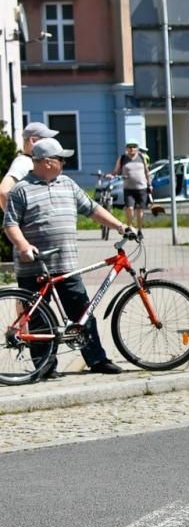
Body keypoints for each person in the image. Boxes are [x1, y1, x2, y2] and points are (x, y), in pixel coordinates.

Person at [3, 138, 134, 377]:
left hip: (66, 264)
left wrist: (120, 226)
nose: (64, 162)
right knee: (40, 320)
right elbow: (10, 224)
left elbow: (93, 209)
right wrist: (23, 245)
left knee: (83, 312)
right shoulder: (21, 189)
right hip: (34, 266)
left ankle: (97, 360)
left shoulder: (68, 184)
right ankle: (45, 367)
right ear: (48, 162)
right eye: (61, 159)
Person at [1, 122, 60, 206]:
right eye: (45, 139)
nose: (49, 143)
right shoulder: (23, 162)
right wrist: (16, 217)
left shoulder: (33, 161)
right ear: (32, 141)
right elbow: (3, 192)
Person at [113, 141, 151, 231]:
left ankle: (139, 230)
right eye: (129, 147)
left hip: (142, 188)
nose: (132, 149)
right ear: (126, 148)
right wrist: (113, 175)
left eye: (134, 146)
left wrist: (150, 184)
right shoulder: (122, 158)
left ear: (137, 148)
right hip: (128, 189)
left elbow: (146, 171)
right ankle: (129, 228)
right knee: (129, 208)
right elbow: (116, 171)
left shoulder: (142, 157)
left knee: (140, 210)